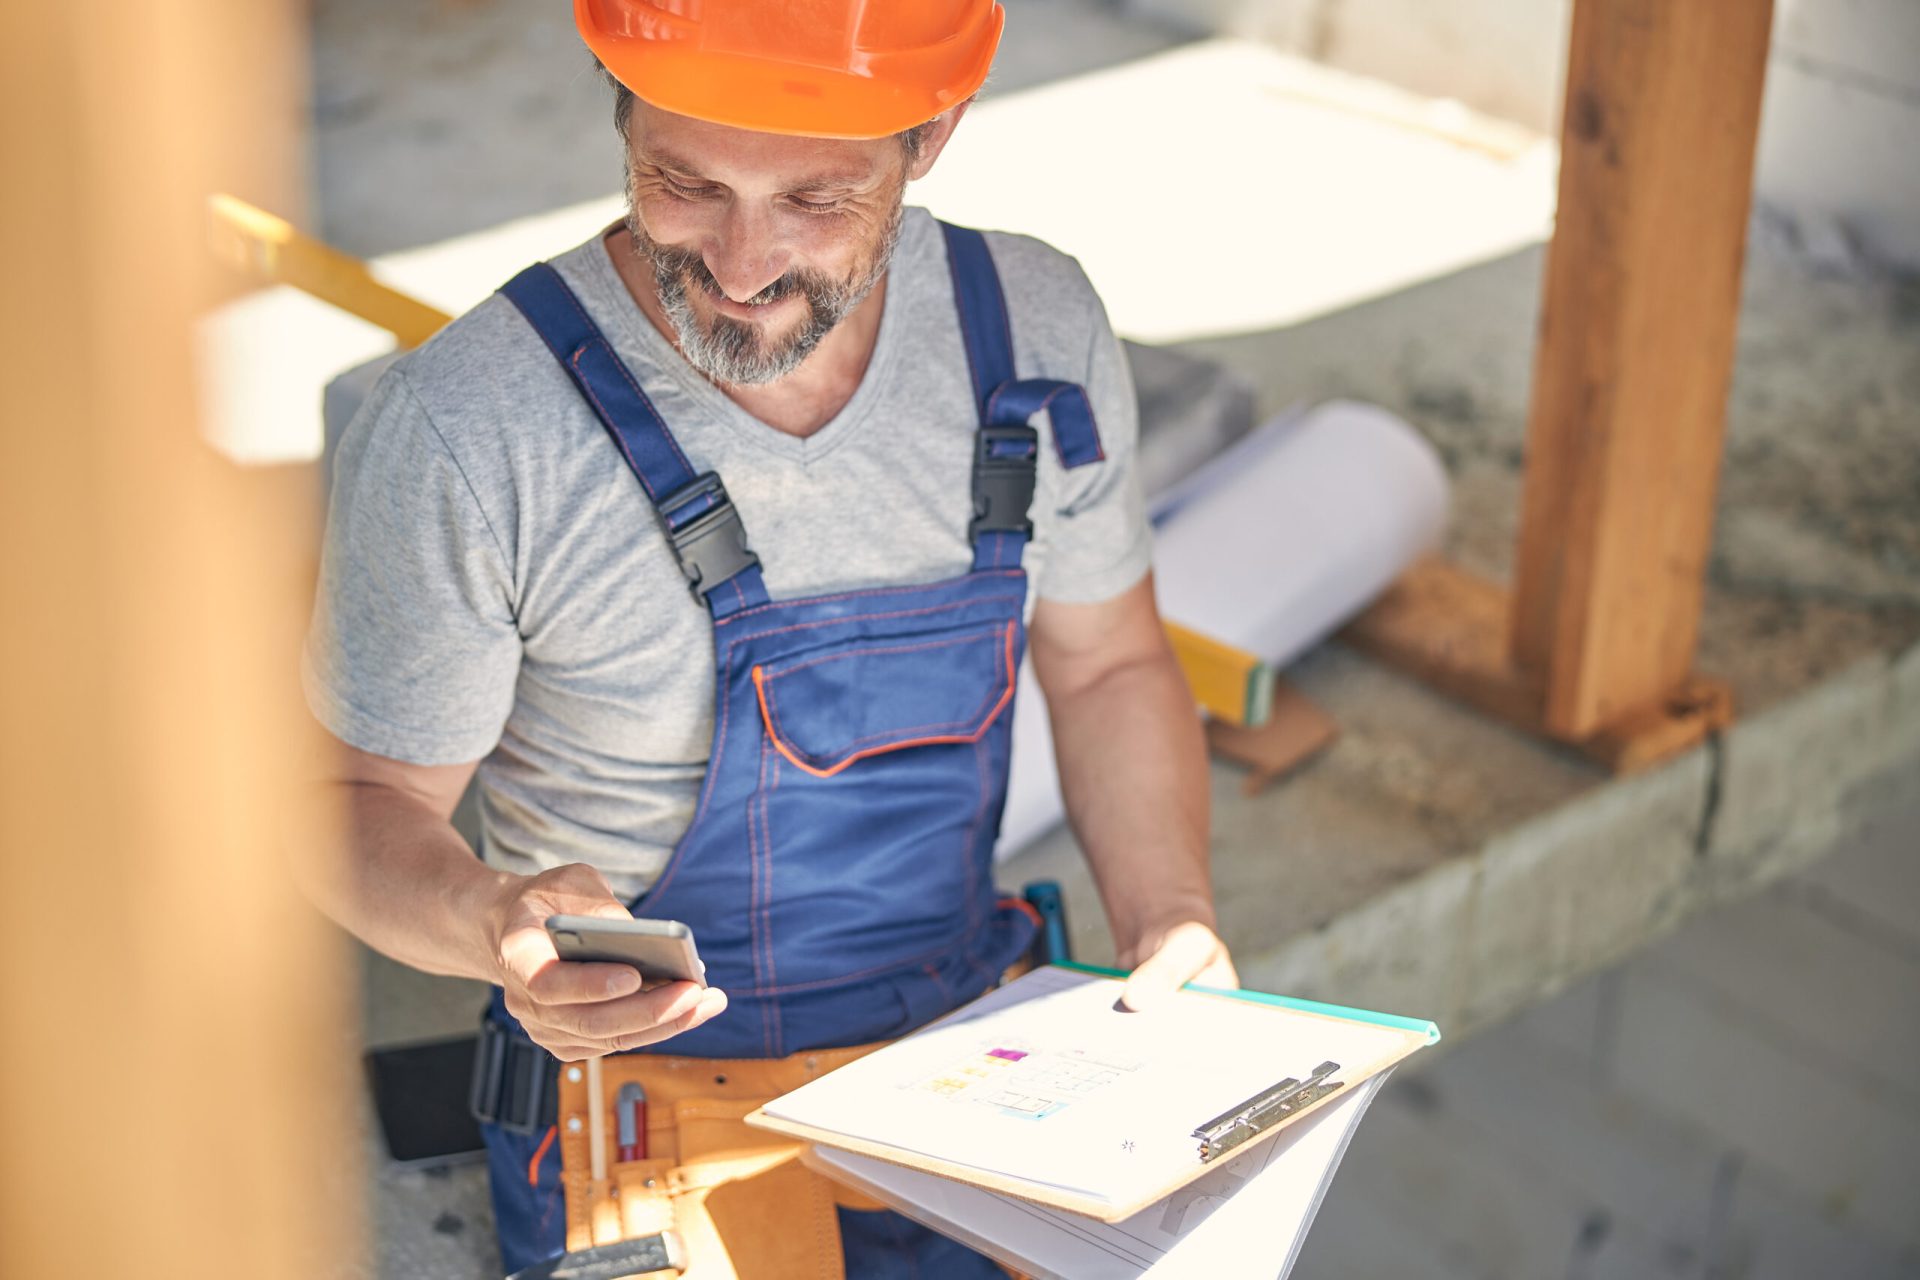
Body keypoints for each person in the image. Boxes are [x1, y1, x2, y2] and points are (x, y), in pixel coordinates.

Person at [298, 1, 1238, 1274]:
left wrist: (1171, 920)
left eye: (817, 200)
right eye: (683, 183)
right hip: (636, 1111)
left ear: (934, 135)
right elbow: (351, 806)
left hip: (975, 1076)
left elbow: (1110, 660)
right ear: (617, 106)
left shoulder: (1032, 329)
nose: (741, 265)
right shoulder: (472, 430)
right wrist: (492, 916)